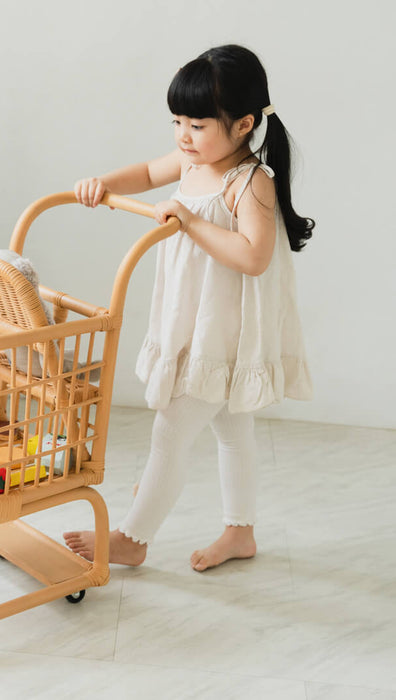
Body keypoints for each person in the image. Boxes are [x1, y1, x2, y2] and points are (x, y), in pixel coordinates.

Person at [63, 44, 314, 571]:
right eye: (178, 121)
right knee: (231, 427)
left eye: (197, 125)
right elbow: (146, 172)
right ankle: (239, 531)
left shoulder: (251, 182)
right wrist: (104, 184)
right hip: (195, 318)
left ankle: (133, 537)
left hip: (222, 328)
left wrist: (189, 222)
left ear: (244, 124)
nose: (183, 135)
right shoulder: (191, 160)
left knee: (171, 428)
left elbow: (254, 257)